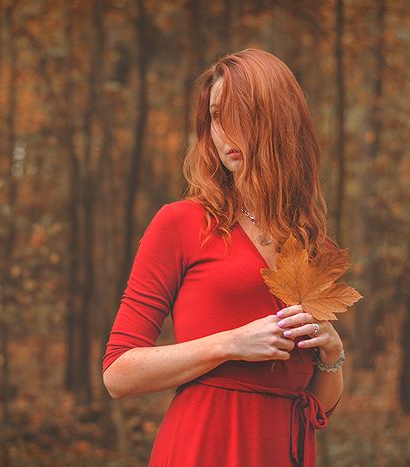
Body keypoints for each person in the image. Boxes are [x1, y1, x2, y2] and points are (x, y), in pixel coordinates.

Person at [101, 48, 345, 467]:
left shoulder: (312, 245)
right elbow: (117, 374)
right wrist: (231, 344)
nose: (224, 132)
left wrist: (333, 353)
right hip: (204, 447)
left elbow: (318, 405)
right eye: (216, 116)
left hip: (282, 450)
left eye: (240, 114)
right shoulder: (182, 223)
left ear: (279, 121)